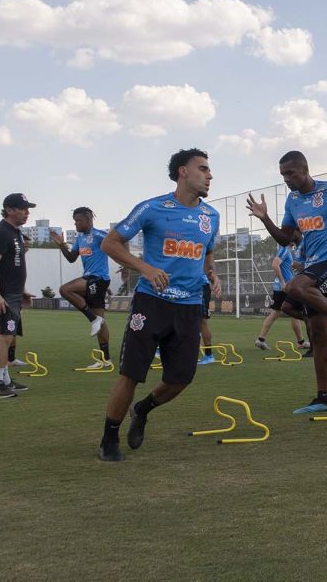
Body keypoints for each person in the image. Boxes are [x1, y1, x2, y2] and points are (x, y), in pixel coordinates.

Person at [96, 148, 221, 461]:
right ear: (183, 171)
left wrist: (212, 274)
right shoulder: (152, 208)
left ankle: (144, 408)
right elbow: (109, 242)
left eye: (209, 170)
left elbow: (206, 254)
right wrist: (145, 268)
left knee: (180, 379)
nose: (209, 175)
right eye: (203, 168)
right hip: (151, 303)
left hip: (190, 306)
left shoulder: (211, 217)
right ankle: (109, 439)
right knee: (131, 373)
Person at [247, 150, 327, 414]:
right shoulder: (293, 200)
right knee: (317, 334)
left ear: (305, 170)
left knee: (294, 287)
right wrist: (265, 219)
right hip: (312, 266)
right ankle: (323, 397)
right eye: (283, 174)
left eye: (290, 173)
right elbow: (285, 239)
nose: (286, 178)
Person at [0, 194, 36, 398]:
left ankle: (5, 380)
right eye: (22, 208)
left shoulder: (14, 232)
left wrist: (21, 290)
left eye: (27, 208)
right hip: (2, 295)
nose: (27, 212)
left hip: (12, 294)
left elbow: (12, 265)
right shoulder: (0, 233)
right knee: (4, 336)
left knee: (9, 335)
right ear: (9, 209)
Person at [52, 207, 111, 368]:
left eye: (78, 220)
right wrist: (61, 245)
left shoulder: (99, 235)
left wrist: (126, 268)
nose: (75, 224)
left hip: (98, 278)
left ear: (88, 219)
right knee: (101, 321)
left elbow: (121, 240)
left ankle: (93, 319)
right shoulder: (80, 238)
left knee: (65, 289)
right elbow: (71, 258)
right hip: (90, 278)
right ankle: (105, 359)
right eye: (74, 221)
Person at [255, 241, 308, 350]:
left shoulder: (285, 250)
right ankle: (301, 342)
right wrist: (283, 282)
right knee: (295, 314)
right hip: (285, 288)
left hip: (281, 288)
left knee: (275, 313)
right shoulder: (284, 250)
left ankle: (260, 339)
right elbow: (275, 264)